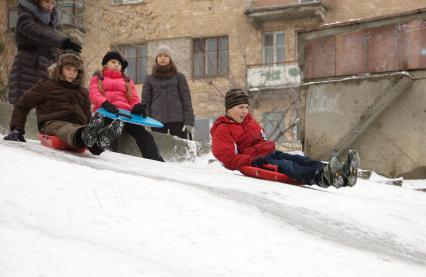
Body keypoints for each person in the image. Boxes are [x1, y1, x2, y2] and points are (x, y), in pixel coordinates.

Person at [210, 88, 360, 188]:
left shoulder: (249, 121)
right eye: (240, 107)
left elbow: (260, 140)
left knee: (301, 160)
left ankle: (340, 173)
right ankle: (322, 177)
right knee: (287, 165)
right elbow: (227, 158)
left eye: (246, 107)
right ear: (229, 108)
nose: (244, 111)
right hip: (256, 160)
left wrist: (270, 148)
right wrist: (250, 161)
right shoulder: (222, 129)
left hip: (269, 152)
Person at [3, 51, 122, 156]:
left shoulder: (82, 92)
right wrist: (17, 129)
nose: (72, 73)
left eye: (75, 70)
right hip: (53, 123)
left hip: (78, 125)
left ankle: (100, 140)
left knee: (83, 128)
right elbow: (23, 104)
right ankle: (87, 136)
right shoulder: (47, 85)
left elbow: (86, 115)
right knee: (68, 129)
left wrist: (92, 125)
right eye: (68, 69)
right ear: (60, 69)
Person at [89, 51, 164, 162]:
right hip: (106, 112)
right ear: (105, 64)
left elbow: (133, 99)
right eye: (113, 62)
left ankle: (156, 161)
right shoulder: (97, 79)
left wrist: (137, 107)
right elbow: (94, 94)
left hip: (125, 116)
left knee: (143, 134)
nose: (116, 65)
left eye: (119, 63)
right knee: (101, 128)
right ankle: (93, 149)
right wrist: (104, 103)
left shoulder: (127, 81)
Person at [8, 0, 82, 105]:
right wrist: (63, 42)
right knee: (23, 106)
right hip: (27, 66)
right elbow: (39, 33)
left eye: (53, 3)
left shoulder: (50, 25)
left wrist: (67, 53)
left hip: (44, 68)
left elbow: (51, 45)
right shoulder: (25, 18)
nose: (50, 6)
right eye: (47, 1)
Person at [142, 45, 195, 139]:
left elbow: (186, 101)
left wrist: (189, 121)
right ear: (156, 59)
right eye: (160, 56)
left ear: (170, 59)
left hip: (178, 122)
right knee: (160, 150)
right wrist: (146, 120)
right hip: (156, 122)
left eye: (166, 56)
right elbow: (146, 102)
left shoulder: (179, 77)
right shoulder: (149, 79)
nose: (163, 58)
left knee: (180, 150)